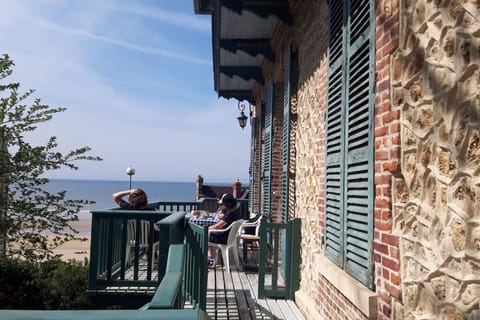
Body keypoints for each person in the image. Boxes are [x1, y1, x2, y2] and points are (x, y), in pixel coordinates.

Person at [207, 193, 241, 265]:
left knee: (204, 235)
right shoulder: (235, 212)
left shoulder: (230, 213)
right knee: (208, 233)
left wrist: (206, 229)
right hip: (229, 237)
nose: (223, 205)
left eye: (224, 204)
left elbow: (217, 226)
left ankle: (209, 258)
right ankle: (209, 257)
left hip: (224, 238)